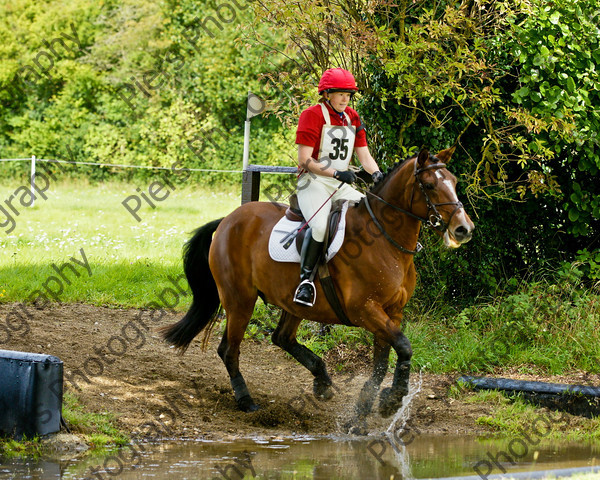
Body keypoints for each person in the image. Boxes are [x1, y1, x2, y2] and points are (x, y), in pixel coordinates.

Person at [293, 68, 383, 306]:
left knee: (370, 215)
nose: (345, 99)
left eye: (349, 94)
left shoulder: (352, 117)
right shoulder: (311, 115)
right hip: (314, 182)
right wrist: (334, 172)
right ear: (327, 94)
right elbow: (304, 160)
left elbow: (364, 155)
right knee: (321, 226)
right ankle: (306, 282)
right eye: (340, 93)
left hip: (340, 184)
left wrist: (377, 173)